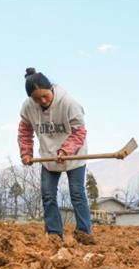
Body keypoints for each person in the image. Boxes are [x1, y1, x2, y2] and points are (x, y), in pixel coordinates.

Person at [17, 67, 96, 244]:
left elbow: (79, 132)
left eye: (45, 96)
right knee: (47, 194)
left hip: (74, 156)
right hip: (48, 156)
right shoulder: (28, 107)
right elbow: (24, 132)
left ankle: (83, 232)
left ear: (51, 88)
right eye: (37, 99)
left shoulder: (68, 103)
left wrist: (65, 151)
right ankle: (53, 234)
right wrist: (26, 153)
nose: (42, 101)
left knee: (77, 193)